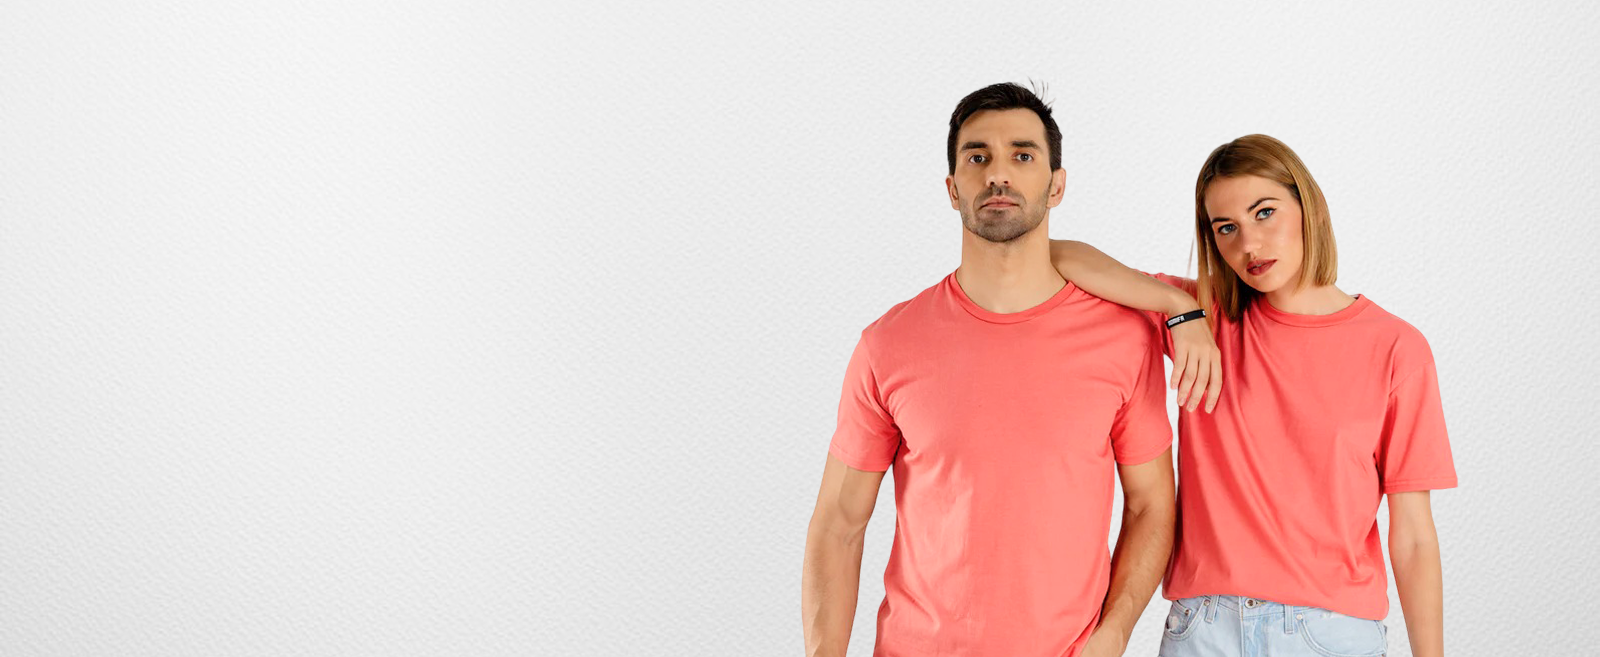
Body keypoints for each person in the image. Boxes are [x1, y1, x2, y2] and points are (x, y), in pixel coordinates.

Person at [801, 82, 1179, 657]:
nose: (998, 174)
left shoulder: (1124, 339)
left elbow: (1152, 503)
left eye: (1022, 155)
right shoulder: (889, 344)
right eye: (978, 156)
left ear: (1056, 185)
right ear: (953, 189)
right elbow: (839, 523)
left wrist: (1115, 632)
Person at [1047, 134, 1457, 657]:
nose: (1249, 245)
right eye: (1226, 228)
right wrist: (1181, 307)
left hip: (1329, 634)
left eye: (1265, 213)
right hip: (1203, 628)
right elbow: (1060, 256)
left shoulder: (1397, 348)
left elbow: (1415, 536)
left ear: (1306, 205)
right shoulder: (1210, 317)